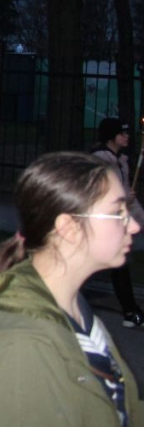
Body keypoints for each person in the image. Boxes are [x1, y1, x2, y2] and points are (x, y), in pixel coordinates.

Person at [0, 152, 144, 427]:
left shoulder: (74, 309)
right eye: (118, 213)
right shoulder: (23, 348)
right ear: (69, 227)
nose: (135, 224)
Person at [90, 117, 144, 328]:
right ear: (112, 136)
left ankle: (130, 312)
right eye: (122, 133)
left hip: (116, 221)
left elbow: (128, 198)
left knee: (118, 264)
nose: (127, 137)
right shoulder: (100, 160)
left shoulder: (121, 161)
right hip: (101, 220)